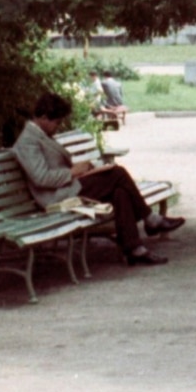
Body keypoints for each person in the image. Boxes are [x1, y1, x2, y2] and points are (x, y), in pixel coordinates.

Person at [16, 93, 177, 265]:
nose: (58, 126)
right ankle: (150, 219)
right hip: (57, 197)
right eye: (57, 122)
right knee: (117, 173)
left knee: (120, 192)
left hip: (68, 187)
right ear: (43, 117)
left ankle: (135, 249)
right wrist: (72, 172)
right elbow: (41, 177)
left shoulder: (40, 135)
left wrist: (83, 171)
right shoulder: (28, 141)